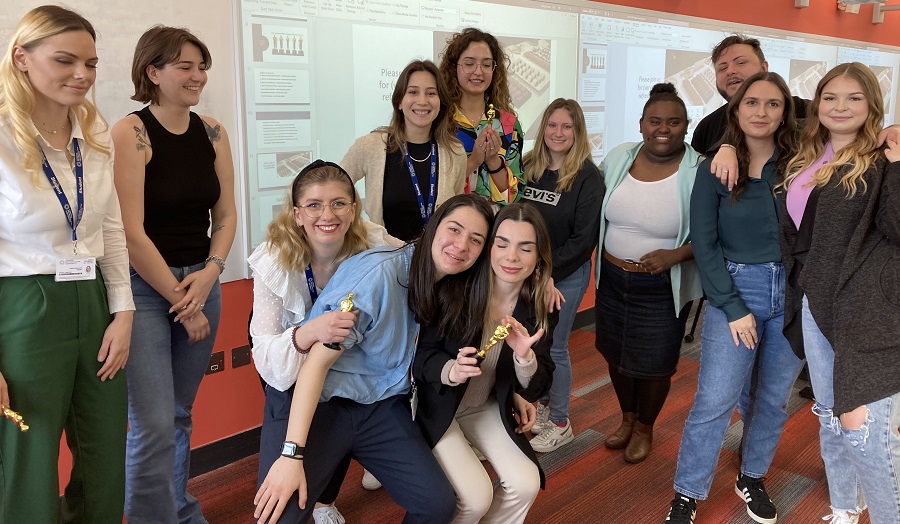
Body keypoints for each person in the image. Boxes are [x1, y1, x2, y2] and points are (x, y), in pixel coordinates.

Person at [254, 194, 493, 524]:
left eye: (475, 239)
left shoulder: (448, 285)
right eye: (454, 229)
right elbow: (316, 365)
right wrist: (291, 454)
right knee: (277, 516)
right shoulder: (377, 278)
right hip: (323, 402)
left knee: (437, 505)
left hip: (380, 405)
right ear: (434, 227)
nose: (461, 245)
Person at [0, 6, 133, 523]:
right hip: (22, 308)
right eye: (65, 60)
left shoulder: (93, 137)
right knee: (27, 458)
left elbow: (112, 229)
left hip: (93, 300)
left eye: (92, 63)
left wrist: (122, 312)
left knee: (103, 456)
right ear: (22, 59)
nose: (82, 74)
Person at [665, 72, 804, 524]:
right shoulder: (715, 168)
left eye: (773, 104)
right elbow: (705, 245)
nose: (761, 113)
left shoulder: (801, 164)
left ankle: (753, 475)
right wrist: (733, 307)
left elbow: (848, 127)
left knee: (771, 398)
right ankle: (687, 493)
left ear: (787, 112)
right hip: (736, 290)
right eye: (752, 103)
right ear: (736, 110)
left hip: (791, 293)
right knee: (716, 399)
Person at [112, 26, 237, 523]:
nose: (197, 76)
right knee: (153, 423)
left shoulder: (213, 131)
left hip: (201, 280)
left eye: (201, 66)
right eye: (185, 66)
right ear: (153, 71)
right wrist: (182, 297)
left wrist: (210, 273)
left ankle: (179, 511)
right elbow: (130, 232)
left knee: (180, 414)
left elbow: (225, 217)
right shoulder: (131, 132)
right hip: (145, 288)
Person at [780, 62, 900, 524]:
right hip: (815, 302)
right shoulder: (809, 156)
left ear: (871, 104)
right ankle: (844, 508)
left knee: (865, 427)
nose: (841, 106)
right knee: (829, 412)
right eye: (831, 97)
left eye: (854, 97)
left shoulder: (882, 158)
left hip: (864, 312)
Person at [250, 161, 402, 523]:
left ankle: (324, 500)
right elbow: (267, 356)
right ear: (297, 214)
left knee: (341, 413)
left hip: (347, 358)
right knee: (280, 503)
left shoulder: (374, 240)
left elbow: (422, 263)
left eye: (338, 203)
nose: (327, 215)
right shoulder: (273, 260)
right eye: (314, 205)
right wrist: (310, 332)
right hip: (286, 353)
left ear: (353, 210)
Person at [414, 203, 556, 523]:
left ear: (538, 258)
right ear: (489, 246)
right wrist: (450, 370)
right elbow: (422, 356)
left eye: (525, 248)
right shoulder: (456, 286)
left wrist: (524, 358)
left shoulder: (539, 306)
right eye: (502, 243)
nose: (511, 257)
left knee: (525, 484)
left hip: (485, 403)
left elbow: (541, 380)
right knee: (475, 498)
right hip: (441, 405)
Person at [594, 83, 703, 464]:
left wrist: (675, 256)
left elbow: (714, 235)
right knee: (615, 352)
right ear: (641, 124)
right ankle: (627, 418)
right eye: (655, 121)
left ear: (686, 126)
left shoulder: (700, 169)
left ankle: (645, 428)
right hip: (612, 279)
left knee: (656, 362)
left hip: (661, 287)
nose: (664, 128)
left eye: (674, 122)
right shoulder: (620, 156)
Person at [520, 98, 604, 452]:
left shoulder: (587, 177)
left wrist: (547, 274)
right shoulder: (527, 167)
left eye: (566, 126)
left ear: (578, 132)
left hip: (565, 274)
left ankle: (559, 420)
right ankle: (537, 407)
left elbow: (583, 239)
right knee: (527, 343)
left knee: (554, 346)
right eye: (552, 125)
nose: (558, 132)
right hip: (525, 272)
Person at [341, 59, 466, 242]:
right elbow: (334, 187)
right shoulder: (370, 145)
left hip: (435, 261)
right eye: (413, 92)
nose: (422, 101)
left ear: (440, 103)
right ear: (399, 101)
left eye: (431, 93)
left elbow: (456, 213)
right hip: (386, 259)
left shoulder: (455, 152)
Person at [439, 28, 524, 206]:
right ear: (454, 67)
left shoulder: (508, 124)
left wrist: (493, 160)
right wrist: (474, 160)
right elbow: (434, 189)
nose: (478, 72)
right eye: (469, 63)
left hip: (495, 224)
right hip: (451, 219)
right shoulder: (438, 121)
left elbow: (513, 197)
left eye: (486, 65)